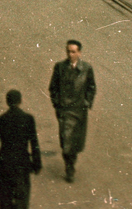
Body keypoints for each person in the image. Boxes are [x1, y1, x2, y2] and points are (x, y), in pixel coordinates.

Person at [47, 40, 95, 181]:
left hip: (79, 110)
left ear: (79, 53)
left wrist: (87, 103)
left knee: (75, 141)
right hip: (64, 110)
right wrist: (57, 104)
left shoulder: (86, 68)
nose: (70, 54)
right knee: (66, 140)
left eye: (73, 52)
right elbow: (53, 87)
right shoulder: (60, 67)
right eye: (68, 51)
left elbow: (91, 87)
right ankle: (69, 167)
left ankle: (70, 164)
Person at [0, 88, 42, 209]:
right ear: (20, 101)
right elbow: (34, 143)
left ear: (7, 102)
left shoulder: (1, 120)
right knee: (22, 199)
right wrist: (37, 164)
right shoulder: (28, 119)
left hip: (4, 164)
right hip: (22, 164)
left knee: (5, 199)